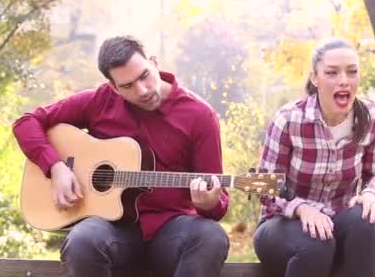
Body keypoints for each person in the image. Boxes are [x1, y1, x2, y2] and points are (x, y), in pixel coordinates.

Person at [12, 35, 229, 277]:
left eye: (144, 75)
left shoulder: (199, 115)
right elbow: (26, 122)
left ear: (155, 63)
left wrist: (210, 203)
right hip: (112, 230)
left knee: (210, 237)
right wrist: (55, 167)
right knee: (82, 241)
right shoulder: (100, 101)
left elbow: (218, 204)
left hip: (171, 229)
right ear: (113, 87)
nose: (142, 90)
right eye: (127, 86)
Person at [253, 39, 375, 277]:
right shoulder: (289, 120)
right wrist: (302, 208)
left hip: (337, 219)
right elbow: (266, 188)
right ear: (315, 78)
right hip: (282, 225)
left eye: (352, 72)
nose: (344, 80)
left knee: (366, 220)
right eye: (332, 73)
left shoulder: (373, 116)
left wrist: (370, 194)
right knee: (316, 243)